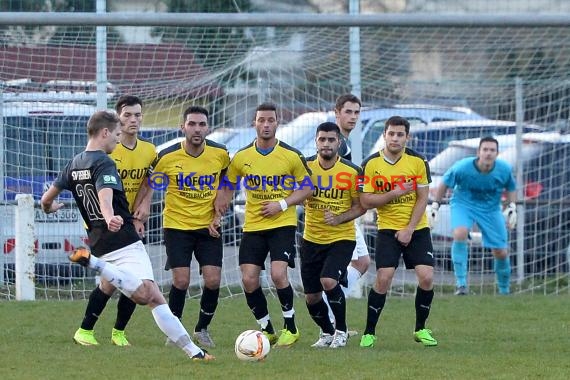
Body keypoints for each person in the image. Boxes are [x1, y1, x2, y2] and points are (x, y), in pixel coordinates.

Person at [40, 110, 213, 361]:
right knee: (145, 295)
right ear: (105, 132)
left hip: (99, 241)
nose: (118, 140)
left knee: (153, 295)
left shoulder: (74, 163)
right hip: (122, 238)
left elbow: (46, 200)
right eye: (117, 134)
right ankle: (94, 264)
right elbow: (105, 194)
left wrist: (49, 208)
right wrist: (109, 216)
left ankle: (195, 353)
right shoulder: (104, 162)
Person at [215, 102, 313, 347]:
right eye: (262, 120)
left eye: (271, 120)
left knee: (278, 274)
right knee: (248, 280)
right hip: (253, 226)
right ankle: (266, 328)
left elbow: (308, 188)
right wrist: (218, 211)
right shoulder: (242, 156)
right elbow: (228, 184)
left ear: (277, 123)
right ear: (254, 123)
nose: (266, 124)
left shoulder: (291, 155)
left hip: (283, 223)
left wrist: (281, 204)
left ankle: (290, 327)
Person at [139, 105, 230, 348]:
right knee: (181, 280)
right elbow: (150, 183)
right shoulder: (167, 156)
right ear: (183, 127)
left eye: (202, 124)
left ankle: (202, 329)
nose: (197, 129)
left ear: (208, 127)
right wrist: (144, 207)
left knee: (213, 280)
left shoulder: (220, 153)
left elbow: (228, 178)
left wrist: (221, 205)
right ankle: (175, 331)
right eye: (192, 124)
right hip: (177, 226)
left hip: (208, 226)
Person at [72, 95, 156, 347]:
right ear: (117, 119)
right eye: (128, 115)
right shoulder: (107, 149)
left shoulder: (149, 151)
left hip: (128, 222)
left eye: (138, 115)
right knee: (121, 281)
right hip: (105, 224)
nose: (133, 120)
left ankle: (106, 331)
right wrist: (107, 218)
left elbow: (148, 181)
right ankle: (94, 331)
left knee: (121, 280)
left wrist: (144, 205)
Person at [358, 116, 437, 348]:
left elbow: (423, 198)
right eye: (391, 133)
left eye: (400, 134)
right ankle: (369, 332)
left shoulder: (418, 161)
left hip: (417, 228)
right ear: (384, 135)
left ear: (407, 137)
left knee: (427, 277)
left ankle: (421, 329)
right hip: (387, 229)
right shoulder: (370, 164)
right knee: (384, 278)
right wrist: (395, 192)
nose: (395, 138)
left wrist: (410, 228)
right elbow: (366, 200)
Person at [301, 122, 365, 348]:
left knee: (328, 280)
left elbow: (361, 207)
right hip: (311, 238)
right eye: (322, 139)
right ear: (316, 142)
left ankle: (342, 331)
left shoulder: (352, 171)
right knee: (311, 297)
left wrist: (338, 218)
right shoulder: (305, 166)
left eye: (331, 140)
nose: (326, 144)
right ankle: (326, 332)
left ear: (339, 142)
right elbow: (295, 193)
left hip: (341, 237)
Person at [430, 136, 516, 295]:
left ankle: (505, 290)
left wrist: (512, 207)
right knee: (460, 233)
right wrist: (435, 205)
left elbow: (511, 187)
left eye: (492, 150)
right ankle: (461, 285)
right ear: (478, 152)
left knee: (501, 251)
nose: (488, 153)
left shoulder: (504, 169)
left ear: (497, 153)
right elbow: (445, 182)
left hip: (491, 209)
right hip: (464, 204)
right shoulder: (463, 167)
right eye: (485, 149)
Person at [334, 94, 371, 298]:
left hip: (346, 213)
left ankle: (331, 321)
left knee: (361, 262)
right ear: (337, 112)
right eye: (348, 112)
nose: (353, 117)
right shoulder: (336, 142)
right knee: (335, 273)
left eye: (357, 112)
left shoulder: (344, 142)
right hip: (339, 214)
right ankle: (330, 323)